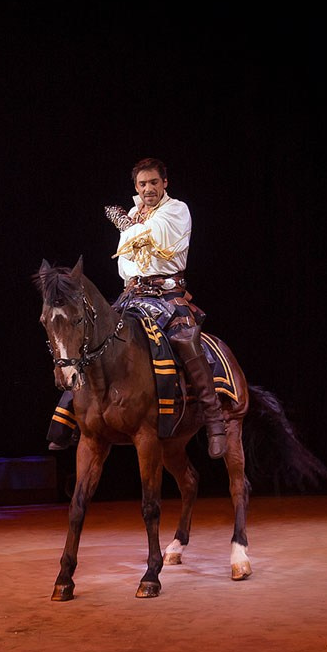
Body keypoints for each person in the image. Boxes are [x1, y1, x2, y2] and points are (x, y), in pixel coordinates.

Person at [104, 158, 227, 459]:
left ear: (165, 183)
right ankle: (72, 411)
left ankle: (214, 421)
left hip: (167, 294)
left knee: (185, 340)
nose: (148, 188)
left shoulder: (176, 210)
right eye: (142, 184)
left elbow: (156, 236)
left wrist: (127, 227)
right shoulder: (134, 214)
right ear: (136, 187)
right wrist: (130, 230)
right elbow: (124, 262)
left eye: (154, 182)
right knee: (97, 333)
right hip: (134, 294)